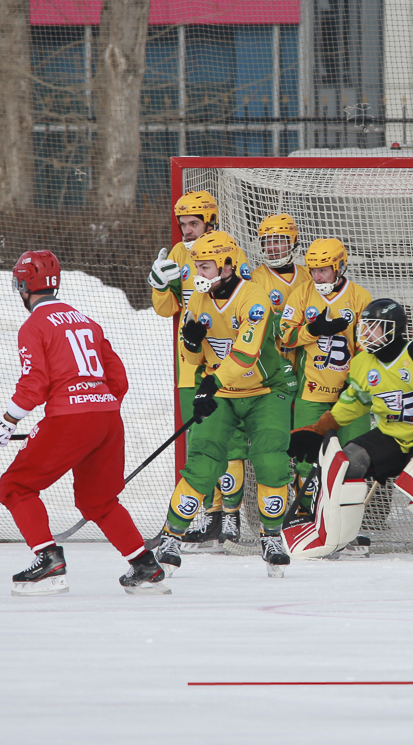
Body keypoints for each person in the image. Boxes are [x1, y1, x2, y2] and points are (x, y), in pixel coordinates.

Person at [0, 250, 168, 596]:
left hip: (71, 419)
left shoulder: (33, 326)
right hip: (108, 419)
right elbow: (118, 379)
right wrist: (96, 407)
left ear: (24, 286)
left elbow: (33, 385)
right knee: (99, 500)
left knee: (15, 487)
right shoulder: (86, 320)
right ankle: (145, 565)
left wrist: (7, 421)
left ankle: (48, 560)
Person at [288, 299, 413, 559]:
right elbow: (354, 401)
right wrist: (321, 428)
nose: (366, 332)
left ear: (393, 329)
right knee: (346, 461)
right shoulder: (362, 363)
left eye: (374, 327)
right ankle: (338, 536)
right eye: (365, 326)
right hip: (393, 436)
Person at [155, 231, 297, 577]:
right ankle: (172, 537)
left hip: (264, 390)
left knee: (270, 459)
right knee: (203, 459)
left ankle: (271, 536)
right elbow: (195, 354)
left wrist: (211, 383)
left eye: (205, 267)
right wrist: (190, 343)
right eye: (197, 267)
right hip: (222, 390)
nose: (199, 274)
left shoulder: (254, 298)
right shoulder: (199, 301)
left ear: (228, 265)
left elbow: (246, 354)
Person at [146, 191, 251, 550]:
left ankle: (226, 517)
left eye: (194, 223)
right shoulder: (177, 254)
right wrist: (160, 285)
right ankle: (208, 515)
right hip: (190, 364)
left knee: (231, 443)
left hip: (226, 367)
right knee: (200, 445)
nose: (188, 231)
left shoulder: (232, 252)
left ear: (210, 221)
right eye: (183, 224)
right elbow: (166, 309)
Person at [279, 238, 374, 552]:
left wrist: (356, 382)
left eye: (324, 270)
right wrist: (314, 329)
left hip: (351, 395)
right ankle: (310, 518)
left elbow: (368, 347)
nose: (318, 276)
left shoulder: (360, 297)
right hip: (312, 390)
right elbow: (286, 336)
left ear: (340, 266)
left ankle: (350, 529)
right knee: (308, 459)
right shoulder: (301, 294)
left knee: (355, 459)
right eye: (314, 270)